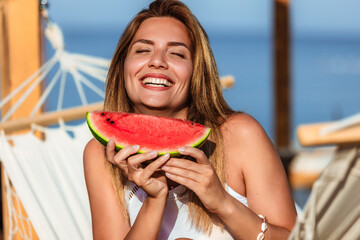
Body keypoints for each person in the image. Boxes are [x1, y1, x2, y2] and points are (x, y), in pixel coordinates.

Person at [83, 0, 297, 239]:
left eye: (176, 53)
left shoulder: (240, 135)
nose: (157, 61)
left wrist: (222, 203)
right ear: (123, 66)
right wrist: (154, 200)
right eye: (143, 50)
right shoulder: (100, 154)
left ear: (196, 71)